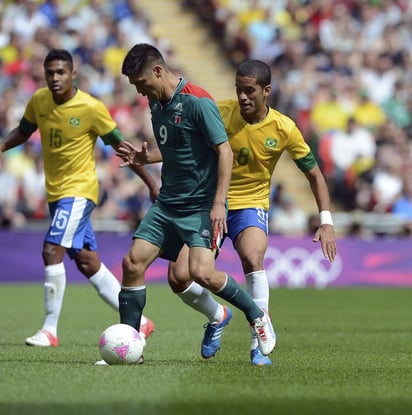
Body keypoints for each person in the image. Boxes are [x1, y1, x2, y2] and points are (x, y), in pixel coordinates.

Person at [165, 59, 337, 366]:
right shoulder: (220, 112)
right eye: (238, 90)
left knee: (253, 257)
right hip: (211, 202)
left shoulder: (284, 128)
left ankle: (258, 342)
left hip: (251, 203)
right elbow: (183, 144)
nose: (242, 97)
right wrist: (149, 155)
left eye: (249, 90)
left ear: (266, 91)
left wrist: (326, 221)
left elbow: (315, 175)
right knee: (179, 277)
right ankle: (217, 315)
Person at [115, 43, 276, 363]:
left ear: (158, 71)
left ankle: (256, 314)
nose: (139, 90)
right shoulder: (156, 102)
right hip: (168, 204)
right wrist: (146, 158)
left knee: (201, 273)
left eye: (141, 82)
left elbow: (224, 151)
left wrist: (219, 204)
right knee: (133, 263)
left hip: (201, 206)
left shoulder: (198, 101)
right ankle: (129, 348)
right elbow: (179, 147)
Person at [0, 49, 156, 348]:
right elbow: (23, 130)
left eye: (61, 72)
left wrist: (151, 182)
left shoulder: (91, 108)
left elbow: (121, 147)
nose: (55, 78)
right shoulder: (39, 101)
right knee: (86, 262)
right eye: (50, 73)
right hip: (56, 194)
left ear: (73, 74)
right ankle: (143, 322)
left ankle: (49, 330)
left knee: (50, 250)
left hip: (80, 191)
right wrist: (3, 146)